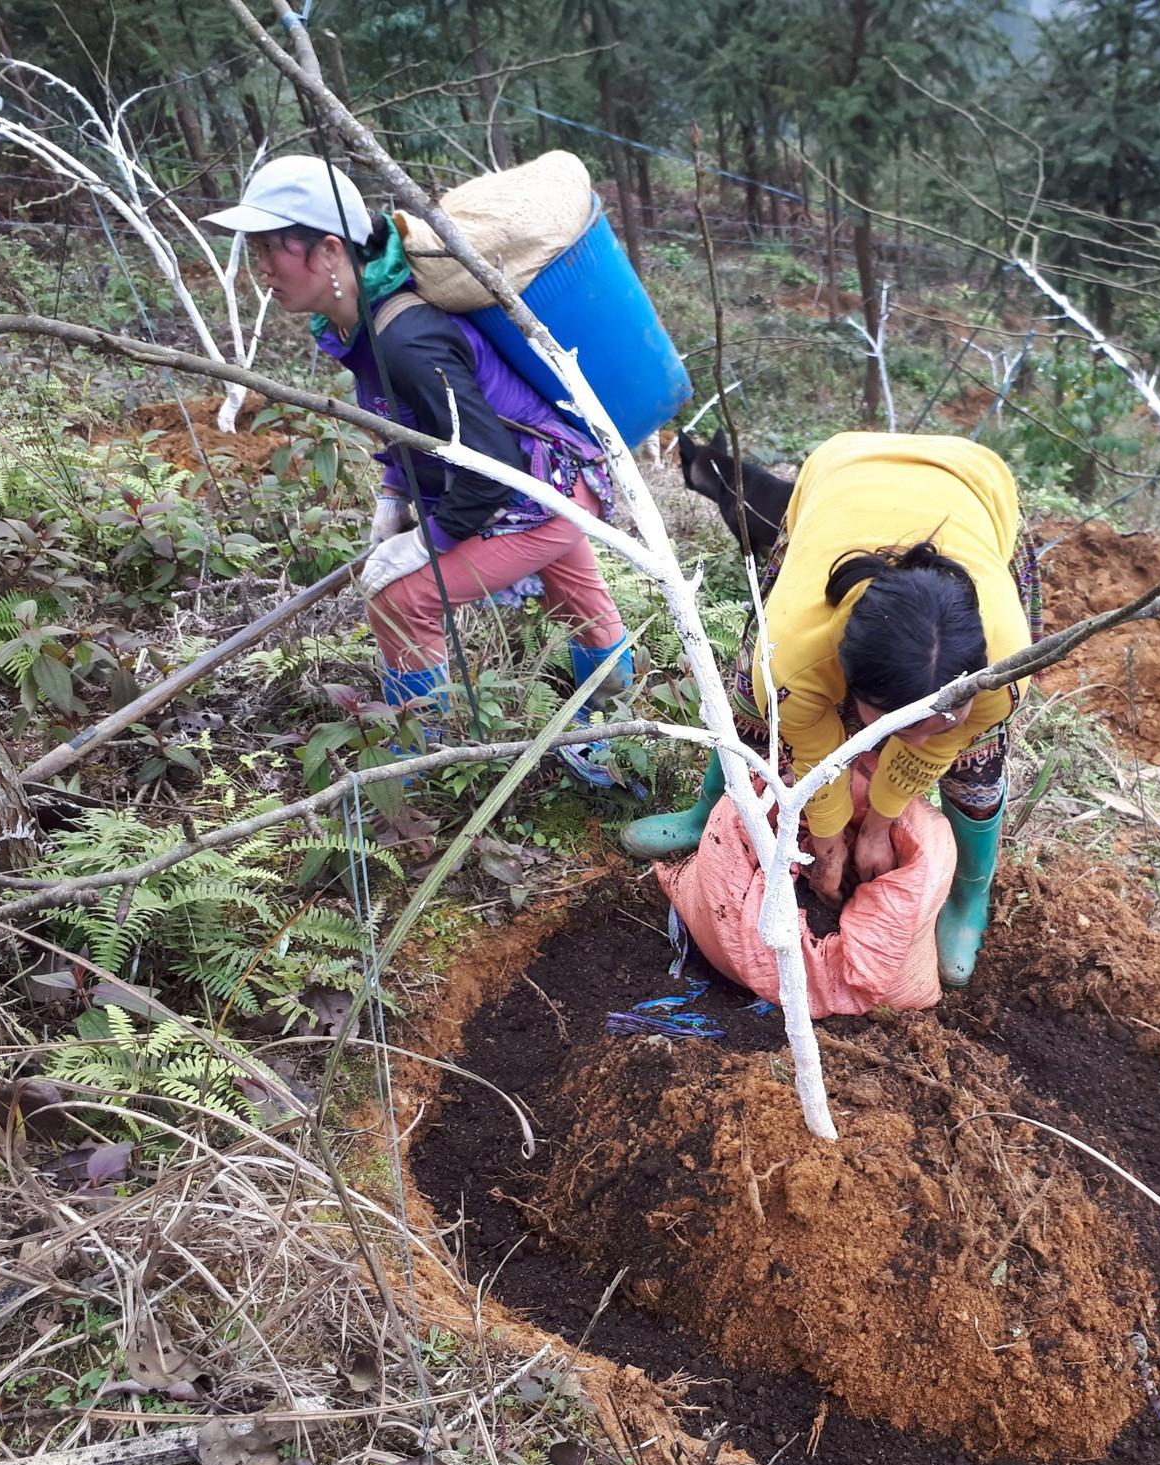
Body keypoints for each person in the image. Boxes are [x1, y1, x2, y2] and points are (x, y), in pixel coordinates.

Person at [203, 156, 633, 783]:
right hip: (563, 479)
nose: (261, 268)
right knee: (579, 597)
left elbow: (490, 467)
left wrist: (429, 543)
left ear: (328, 251)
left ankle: (426, 764)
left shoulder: (405, 336)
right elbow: (413, 421)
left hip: (539, 495)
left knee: (402, 598)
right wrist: (393, 492)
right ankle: (619, 721)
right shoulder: (363, 324)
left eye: (272, 248)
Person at [620, 432, 1039, 987]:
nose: (915, 740)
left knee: (976, 765)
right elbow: (809, 737)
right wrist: (828, 828)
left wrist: (877, 826)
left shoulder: (1003, 667)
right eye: (897, 727)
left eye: (941, 719)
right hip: (840, 478)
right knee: (754, 709)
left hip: (974, 487)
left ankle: (968, 894)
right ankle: (707, 817)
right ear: (847, 683)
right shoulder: (796, 649)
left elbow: (940, 743)